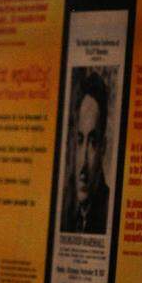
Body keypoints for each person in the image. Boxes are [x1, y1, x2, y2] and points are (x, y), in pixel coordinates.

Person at [60, 70, 111, 234]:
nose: (83, 163)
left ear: (103, 148)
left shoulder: (108, 213)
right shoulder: (67, 217)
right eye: (80, 140)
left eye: (93, 143)